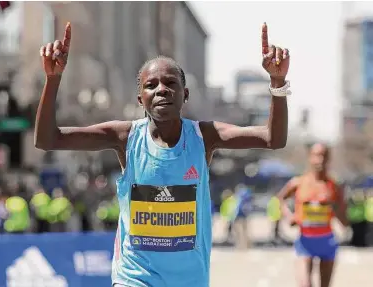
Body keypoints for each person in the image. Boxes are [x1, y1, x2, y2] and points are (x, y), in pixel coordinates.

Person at [35, 22, 290, 287]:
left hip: (188, 280)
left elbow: (273, 138)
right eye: (151, 85)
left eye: (170, 83)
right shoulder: (126, 138)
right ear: (140, 99)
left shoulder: (205, 137)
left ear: (185, 94)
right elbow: (47, 139)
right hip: (134, 277)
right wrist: (53, 79)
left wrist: (277, 83)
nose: (161, 89)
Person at [277, 143, 348, 287]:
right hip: (305, 242)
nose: (320, 160)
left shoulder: (334, 186)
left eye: (324, 156)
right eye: (316, 155)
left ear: (329, 159)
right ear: (310, 158)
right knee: (305, 284)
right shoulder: (298, 183)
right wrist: (289, 216)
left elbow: (344, 219)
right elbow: (280, 199)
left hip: (327, 241)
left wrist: (336, 210)